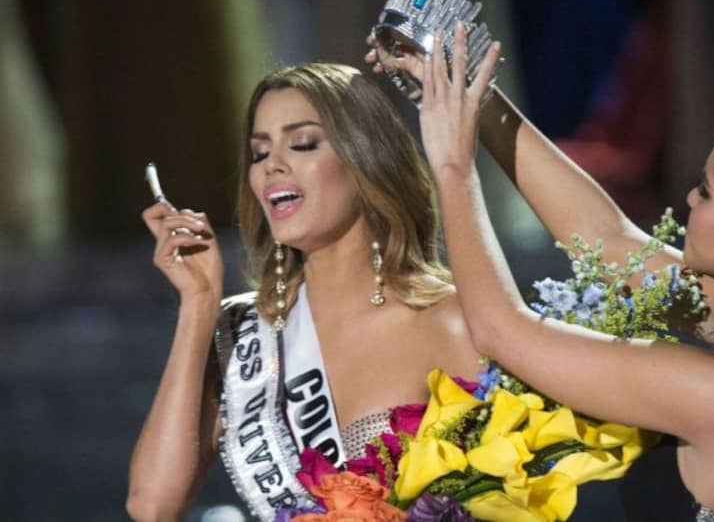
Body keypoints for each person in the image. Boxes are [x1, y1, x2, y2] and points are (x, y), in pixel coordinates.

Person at [369, 23, 714, 521]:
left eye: (706, 192)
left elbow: (503, 333)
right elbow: (606, 239)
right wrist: (471, 94)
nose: (687, 197)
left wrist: (452, 163)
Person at [126, 63, 482, 521]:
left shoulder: (450, 319)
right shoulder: (242, 336)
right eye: (259, 153)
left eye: (303, 144)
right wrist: (198, 305)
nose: (272, 165)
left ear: (366, 161)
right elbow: (151, 505)